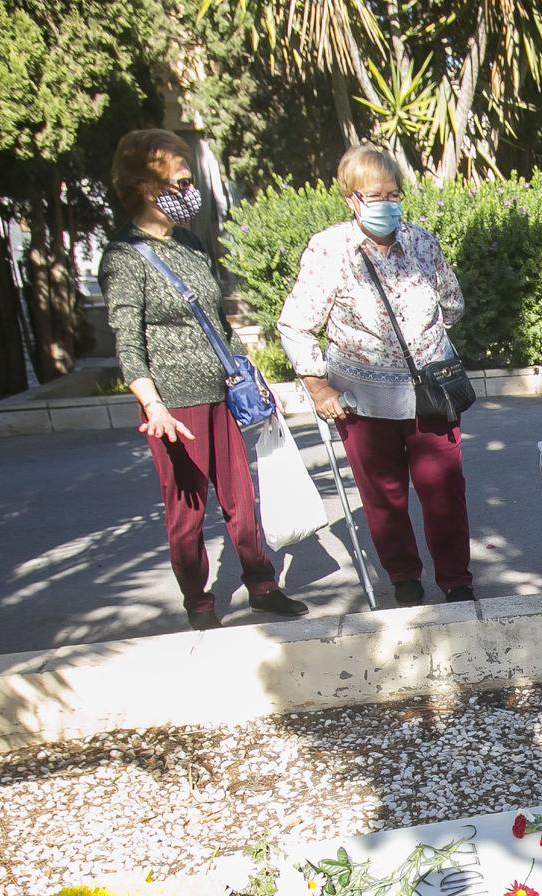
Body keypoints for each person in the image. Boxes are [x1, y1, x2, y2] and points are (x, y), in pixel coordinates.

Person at [99, 129, 308, 631]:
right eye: (181, 179)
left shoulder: (190, 243)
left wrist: (249, 373)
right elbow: (127, 340)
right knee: (187, 512)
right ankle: (200, 605)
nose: (189, 189)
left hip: (220, 394)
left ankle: (263, 586)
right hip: (174, 409)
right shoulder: (124, 258)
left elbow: (216, 321)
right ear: (148, 186)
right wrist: (154, 408)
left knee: (241, 499)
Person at [278, 145, 474, 605]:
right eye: (374, 195)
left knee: (444, 492)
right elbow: (295, 323)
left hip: (430, 393)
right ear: (350, 198)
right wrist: (318, 385)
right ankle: (404, 575)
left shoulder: (422, 242)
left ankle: (456, 578)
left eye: (393, 193)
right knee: (383, 497)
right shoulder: (330, 250)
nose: (386, 204)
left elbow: (452, 304)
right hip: (362, 399)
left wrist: (422, 339)